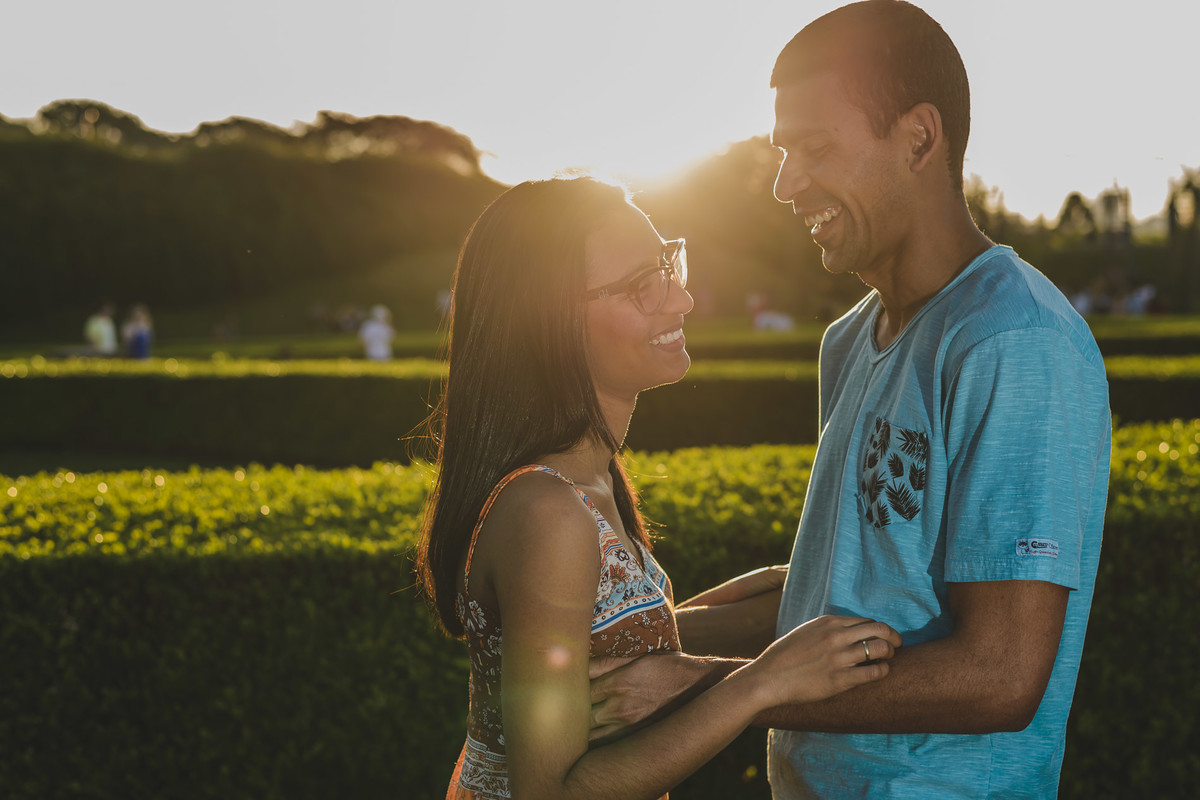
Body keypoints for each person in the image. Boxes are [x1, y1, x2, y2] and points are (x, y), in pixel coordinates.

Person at [588, 3, 1112, 798]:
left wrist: (702, 686)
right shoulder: (849, 339)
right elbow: (839, 593)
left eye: (817, 148)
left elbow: (1001, 675)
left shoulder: (1012, 341)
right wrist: (633, 637)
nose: (785, 183)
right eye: (783, 152)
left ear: (920, 138)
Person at [415, 177, 902, 800]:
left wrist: (761, 605)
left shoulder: (590, 477)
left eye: (668, 265)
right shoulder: (547, 511)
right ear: (551, 319)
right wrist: (760, 684)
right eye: (644, 283)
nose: (684, 299)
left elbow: (595, 634)